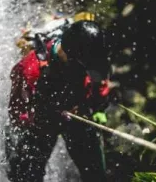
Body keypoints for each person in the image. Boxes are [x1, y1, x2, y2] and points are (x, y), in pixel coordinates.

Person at [6, 19, 112, 182]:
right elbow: (17, 111)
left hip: (78, 114)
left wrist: (98, 109)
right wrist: (36, 117)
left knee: (96, 175)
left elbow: (99, 82)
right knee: (26, 177)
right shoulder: (30, 70)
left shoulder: (92, 60)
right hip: (40, 123)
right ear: (68, 54)